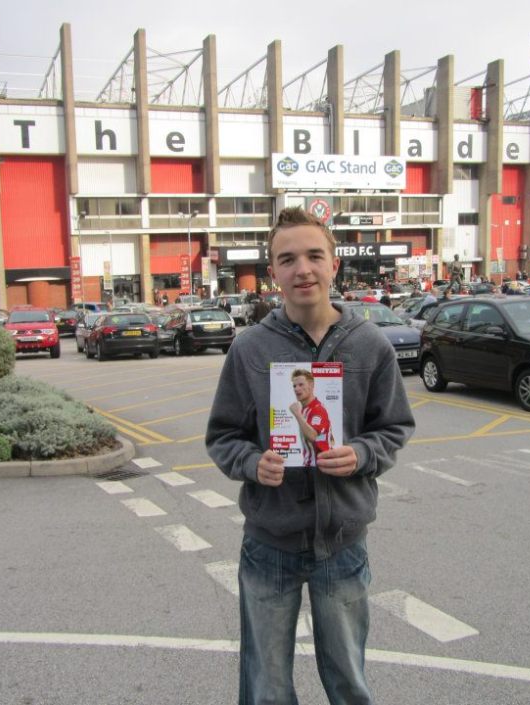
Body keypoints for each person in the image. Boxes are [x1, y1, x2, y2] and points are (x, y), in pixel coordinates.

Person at [205, 206, 415, 705]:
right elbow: (223, 435)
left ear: (334, 264)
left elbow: (394, 427)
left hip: (342, 543)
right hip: (269, 544)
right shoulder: (250, 349)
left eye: (314, 256)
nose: (303, 269)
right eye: (288, 259)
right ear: (273, 272)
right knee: (266, 685)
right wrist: (252, 463)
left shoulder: (370, 345)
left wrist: (361, 453)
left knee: (349, 682)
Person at [288, 369, 334, 466]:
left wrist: (297, 415)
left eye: (301, 384)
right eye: (294, 386)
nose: (296, 389)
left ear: (311, 385)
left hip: (320, 467)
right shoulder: (304, 409)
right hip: (308, 465)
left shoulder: (317, 409)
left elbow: (313, 436)